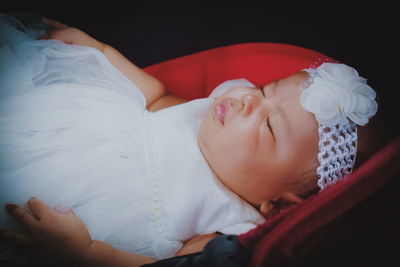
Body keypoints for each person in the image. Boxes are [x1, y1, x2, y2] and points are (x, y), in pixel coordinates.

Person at [0, 13, 379, 266]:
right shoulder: (211, 118)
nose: (247, 100)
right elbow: (154, 97)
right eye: (264, 90)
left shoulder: (233, 227)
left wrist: (86, 253)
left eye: (268, 126)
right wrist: (100, 52)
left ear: (277, 203)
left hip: (86, 213)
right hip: (74, 125)